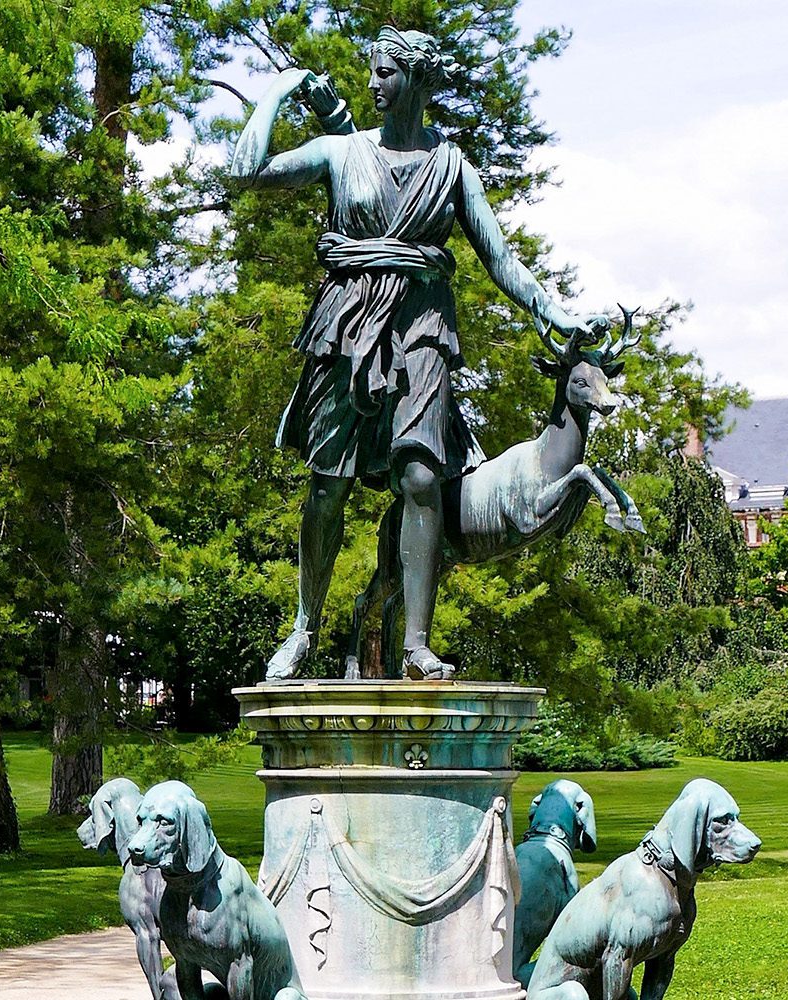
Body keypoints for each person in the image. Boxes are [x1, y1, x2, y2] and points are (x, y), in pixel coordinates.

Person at [229, 27, 601, 680]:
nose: (372, 84)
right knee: (327, 486)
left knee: (424, 479)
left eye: (384, 73)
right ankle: (304, 627)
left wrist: (555, 310)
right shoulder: (342, 152)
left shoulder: (452, 167)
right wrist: (277, 92)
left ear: (417, 80)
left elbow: (500, 258)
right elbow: (246, 170)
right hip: (346, 328)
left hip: (424, 326)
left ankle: (415, 645)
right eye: (371, 73)